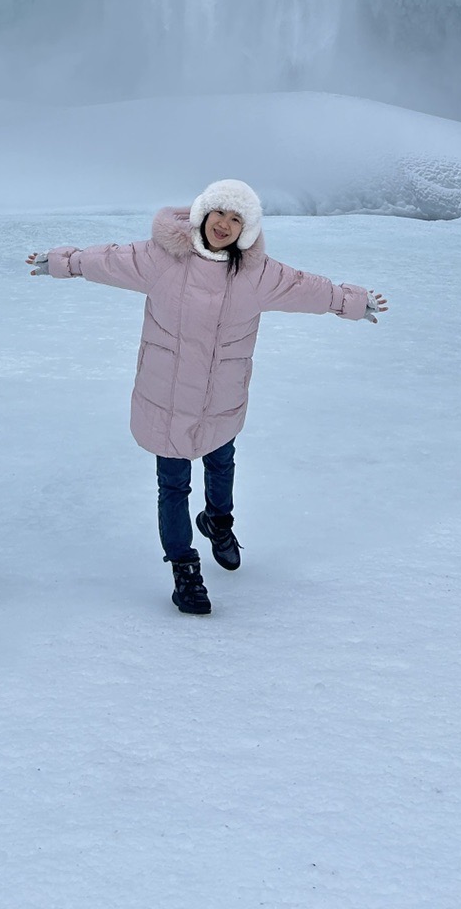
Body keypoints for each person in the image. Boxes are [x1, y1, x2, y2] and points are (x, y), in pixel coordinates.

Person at [27, 177, 388, 615]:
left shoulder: (257, 274)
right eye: (220, 212)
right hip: (167, 398)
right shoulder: (160, 258)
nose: (225, 224)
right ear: (202, 212)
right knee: (173, 484)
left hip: (221, 398)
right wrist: (66, 262)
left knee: (221, 462)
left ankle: (218, 521)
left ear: (247, 230)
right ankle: (185, 569)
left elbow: (305, 288)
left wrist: (350, 301)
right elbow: (107, 260)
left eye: (237, 219)